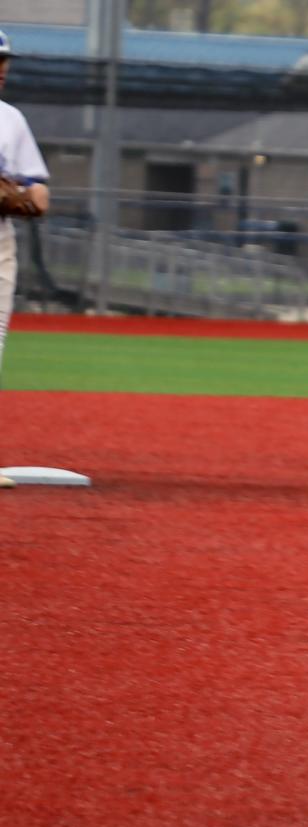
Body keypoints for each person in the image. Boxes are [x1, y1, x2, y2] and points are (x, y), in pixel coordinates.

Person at [0, 28, 51, 488]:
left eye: (4, 60)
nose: (1, 68)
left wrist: (21, 198)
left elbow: (40, 193)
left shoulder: (10, 120)